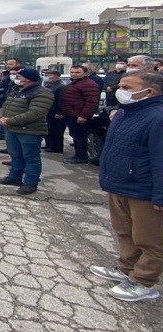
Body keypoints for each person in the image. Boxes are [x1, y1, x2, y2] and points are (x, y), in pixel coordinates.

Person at [89, 71, 163, 302]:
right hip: (119, 183)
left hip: (143, 189)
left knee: (150, 239)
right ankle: (125, 267)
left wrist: (160, 195)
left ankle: (143, 282)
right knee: (125, 231)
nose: (118, 91)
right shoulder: (124, 113)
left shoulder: (157, 117)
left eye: (127, 87)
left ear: (149, 91)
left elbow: (160, 159)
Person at [0, 68, 54, 195]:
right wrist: (0, 117)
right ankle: (14, 177)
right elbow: (5, 105)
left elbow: (36, 113)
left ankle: (30, 183)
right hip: (12, 129)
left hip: (29, 131)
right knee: (15, 155)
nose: (16, 77)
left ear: (27, 78)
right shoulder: (17, 90)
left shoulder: (42, 93)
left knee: (31, 158)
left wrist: (9, 120)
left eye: (18, 75)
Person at [58, 65, 100, 165]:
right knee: (76, 136)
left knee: (80, 137)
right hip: (71, 114)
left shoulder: (88, 84)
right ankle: (77, 155)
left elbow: (91, 102)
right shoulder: (74, 83)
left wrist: (84, 115)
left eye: (77, 72)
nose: (74, 74)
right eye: (72, 72)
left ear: (85, 73)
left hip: (79, 115)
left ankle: (81, 157)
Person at [42, 70, 67, 154]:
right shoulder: (50, 85)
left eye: (48, 75)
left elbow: (62, 101)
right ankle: (49, 145)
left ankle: (56, 147)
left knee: (56, 131)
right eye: (45, 75)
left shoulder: (61, 86)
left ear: (56, 76)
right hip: (49, 111)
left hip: (55, 112)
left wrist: (60, 112)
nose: (46, 77)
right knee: (49, 130)